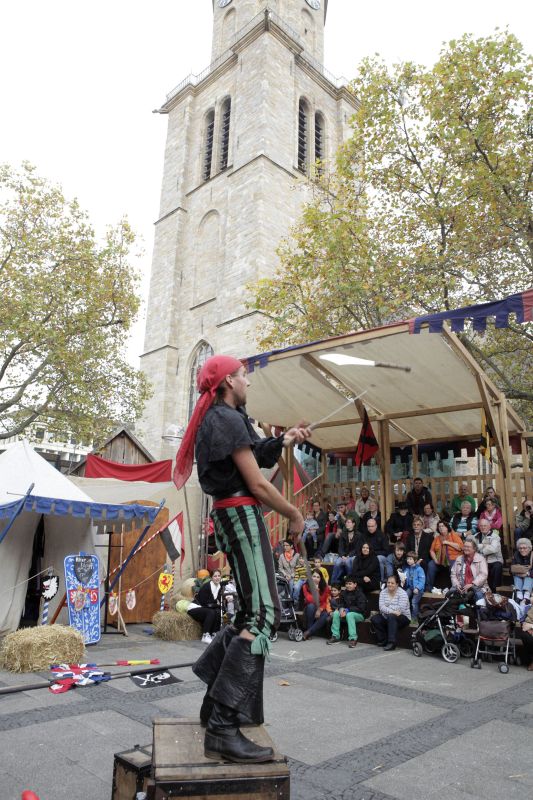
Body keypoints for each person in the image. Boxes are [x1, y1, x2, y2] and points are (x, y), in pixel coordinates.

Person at [177, 354, 311, 764]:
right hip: (240, 513)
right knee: (265, 614)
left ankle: (212, 703)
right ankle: (222, 727)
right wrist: (294, 513)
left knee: (250, 613)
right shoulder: (226, 419)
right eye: (243, 376)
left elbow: (254, 456)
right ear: (227, 382)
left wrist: (286, 440)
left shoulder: (223, 418)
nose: (248, 382)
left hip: (230, 513)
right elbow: (257, 483)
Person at [372, 574, 411, 650]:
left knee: (391, 616)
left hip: (403, 617)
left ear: (397, 584)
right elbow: (381, 607)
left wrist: (387, 608)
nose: (390, 584)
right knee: (375, 619)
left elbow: (400, 609)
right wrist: (392, 611)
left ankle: (392, 643)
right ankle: (383, 640)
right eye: (388, 582)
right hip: (388, 616)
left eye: (392, 583)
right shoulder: (383, 592)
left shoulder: (403, 593)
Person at [327, 575, 368, 648]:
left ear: (355, 584)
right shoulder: (344, 593)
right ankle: (335, 636)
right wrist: (341, 609)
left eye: (350, 584)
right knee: (336, 613)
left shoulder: (360, 594)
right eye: (346, 584)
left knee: (350, 615)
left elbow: (361, 608)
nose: (348, 585)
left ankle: (353, 638)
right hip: (346, 613)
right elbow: (340, 603)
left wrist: (347, 610)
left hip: (359, 615)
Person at [187, 569, 224, 643]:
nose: (217, 578)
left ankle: (214, 633)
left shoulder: (219, 587)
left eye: (219, 576)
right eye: (215, 576)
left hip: (207, 608)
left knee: (218, 611)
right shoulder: (206, 587)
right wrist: (216, 604)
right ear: (211, 578)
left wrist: (216, 605)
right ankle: (205, 635)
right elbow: (204, 604)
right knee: (211, 612)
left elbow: (215, 604)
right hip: (196, 607)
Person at [426, 521, 463, 594]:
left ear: (447, 527)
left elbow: (460, 547)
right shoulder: (437, 538)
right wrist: (435, 559)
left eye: (443, 526)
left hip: (452, 559)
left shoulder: (453, 535)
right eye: (439, 526)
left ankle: (454, 588)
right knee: (431, 565)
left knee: (454, 566)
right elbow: (431, 551)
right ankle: (429, 588)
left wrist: (448, 543)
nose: (441, 528)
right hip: (440, 560)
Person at [450, 537, 488, 603]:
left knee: (479, 596)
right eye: (465, 546)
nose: (465, 548)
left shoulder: (481, 559)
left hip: (477, 586)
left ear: (474, 549)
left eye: (468, 547)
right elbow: (453, 574)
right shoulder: (459, 559)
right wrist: (457, 585)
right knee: (450, 594)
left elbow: (484, 574)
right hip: (461, 587)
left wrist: (472, 584)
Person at [302, 569, 331, 640]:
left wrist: (320, 610)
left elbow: (325, 601)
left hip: (320, 607)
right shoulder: (305, 586)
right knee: (311, 606)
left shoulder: (325, 587)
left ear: (321, 579)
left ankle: (308, 632)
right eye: (314, 576)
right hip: (309, 608)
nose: (315, 579)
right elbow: (309, 599)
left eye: (318, 577)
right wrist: (316, 590)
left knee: (326, 614)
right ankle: (309, 630)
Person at [358, 517, 389, 582]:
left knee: (378, 558)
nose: (370, 528)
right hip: (366, 555)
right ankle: (355, 580)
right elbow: (359, 548)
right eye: (369, 526)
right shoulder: (363, 535)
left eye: (372, 526)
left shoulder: (382, 535)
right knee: (354, 559)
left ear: (376, 526)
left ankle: (381, 581)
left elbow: (386, 551)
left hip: (379, 556)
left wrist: (373, 553)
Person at [476, 518, 503, 592]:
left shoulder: (495, 536)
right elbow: (473, 548)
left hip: (494, 560)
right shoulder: (476, 536)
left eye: (485, 525)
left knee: (497, 567)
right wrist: (486, 545)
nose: (483, 527)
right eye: (481, 526)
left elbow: (493, 549)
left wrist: (480, 547)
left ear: (489, 526)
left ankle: (495, 589)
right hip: (480, 560)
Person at [330, 517, 360, 584]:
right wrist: (342, 555)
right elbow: (340, 547)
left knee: (348, 562)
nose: (347, 524)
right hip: (344, 555)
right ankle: (334, 583)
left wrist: (349, 556)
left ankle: (350, 581)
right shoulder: (343, 534)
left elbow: (357, 548)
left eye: (349, 522)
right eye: (346, 522)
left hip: (354, 555)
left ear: (353, 524)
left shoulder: (358, 535)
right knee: (337, 563)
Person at [511, 538, 533, 605]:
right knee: (516, 576)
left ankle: (526, 596)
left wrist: (527, 573)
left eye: (524, 548)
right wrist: (518, 573)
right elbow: (511, 569)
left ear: (529, 548)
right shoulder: (516, 554)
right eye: (520, 548)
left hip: (530, 577)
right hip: (518, 576)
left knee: (529, 577)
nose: (522, 550)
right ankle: (519, 596)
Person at [404, 551, 425, 619]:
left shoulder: (419, 569)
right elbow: (405, 577)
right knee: (404, 597)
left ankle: (414, 618)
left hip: (418, 589)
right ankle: (405, 614)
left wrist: (417, 588)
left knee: (414, 602)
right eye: (407, 559)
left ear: (415, 560)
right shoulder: (407, 569)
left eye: (410, 559)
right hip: (410, 588)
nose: (408, 560)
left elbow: (422, 581)